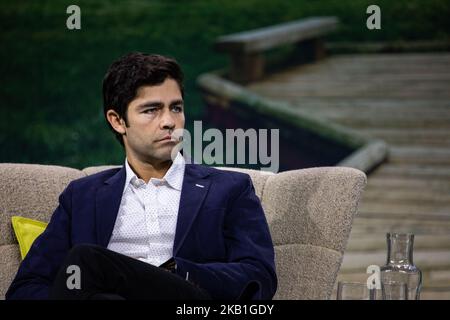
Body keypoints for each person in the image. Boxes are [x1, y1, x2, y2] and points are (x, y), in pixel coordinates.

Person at [5, 52, 277, 300]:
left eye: (176, 108)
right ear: (117, 121)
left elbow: (258, 276)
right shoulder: (82, 197)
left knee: (86, 260)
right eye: (152, 110)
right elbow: (26, 286)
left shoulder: (229, 189)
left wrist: (178, 272)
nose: (169, 121)